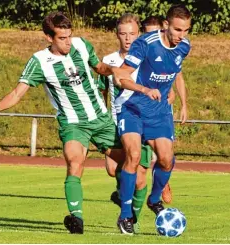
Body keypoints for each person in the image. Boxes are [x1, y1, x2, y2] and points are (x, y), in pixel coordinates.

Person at [0, 11, 133, 234]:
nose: (68, 42)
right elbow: (18, 92)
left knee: (128, 162)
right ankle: (76, 219)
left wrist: (114, 70)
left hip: (101, 119)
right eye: (62, 38)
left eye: (69, 36)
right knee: (75, 161)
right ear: (49, 37)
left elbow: (99, 67)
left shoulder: (81, 45)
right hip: (73, 123)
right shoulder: (39, 62)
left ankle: (121, 195)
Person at [113, 4, 191, 234]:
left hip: (159, 111)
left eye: (185, 30)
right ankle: (126, 214)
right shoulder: (145, 44)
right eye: (177, 29)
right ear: (166, 25)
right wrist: (144, 89)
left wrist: (183, 102)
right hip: (134, 107)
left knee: (167, 159)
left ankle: (153, 199)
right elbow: (121, 76)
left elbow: (176, 72)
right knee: (134, 156)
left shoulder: (184, 47)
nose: (181, 35)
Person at [97, 13, 151, 232]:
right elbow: (102, 91)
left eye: (132, 34)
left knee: (139, 177)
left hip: (139, 120)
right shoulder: (109, 61)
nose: (128, 39)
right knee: (112, 169)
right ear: (116, 35)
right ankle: (123, 197)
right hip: (114, 121)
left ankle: (130, 219)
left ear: (139, 35)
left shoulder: (147, 59)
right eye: (123, 34)